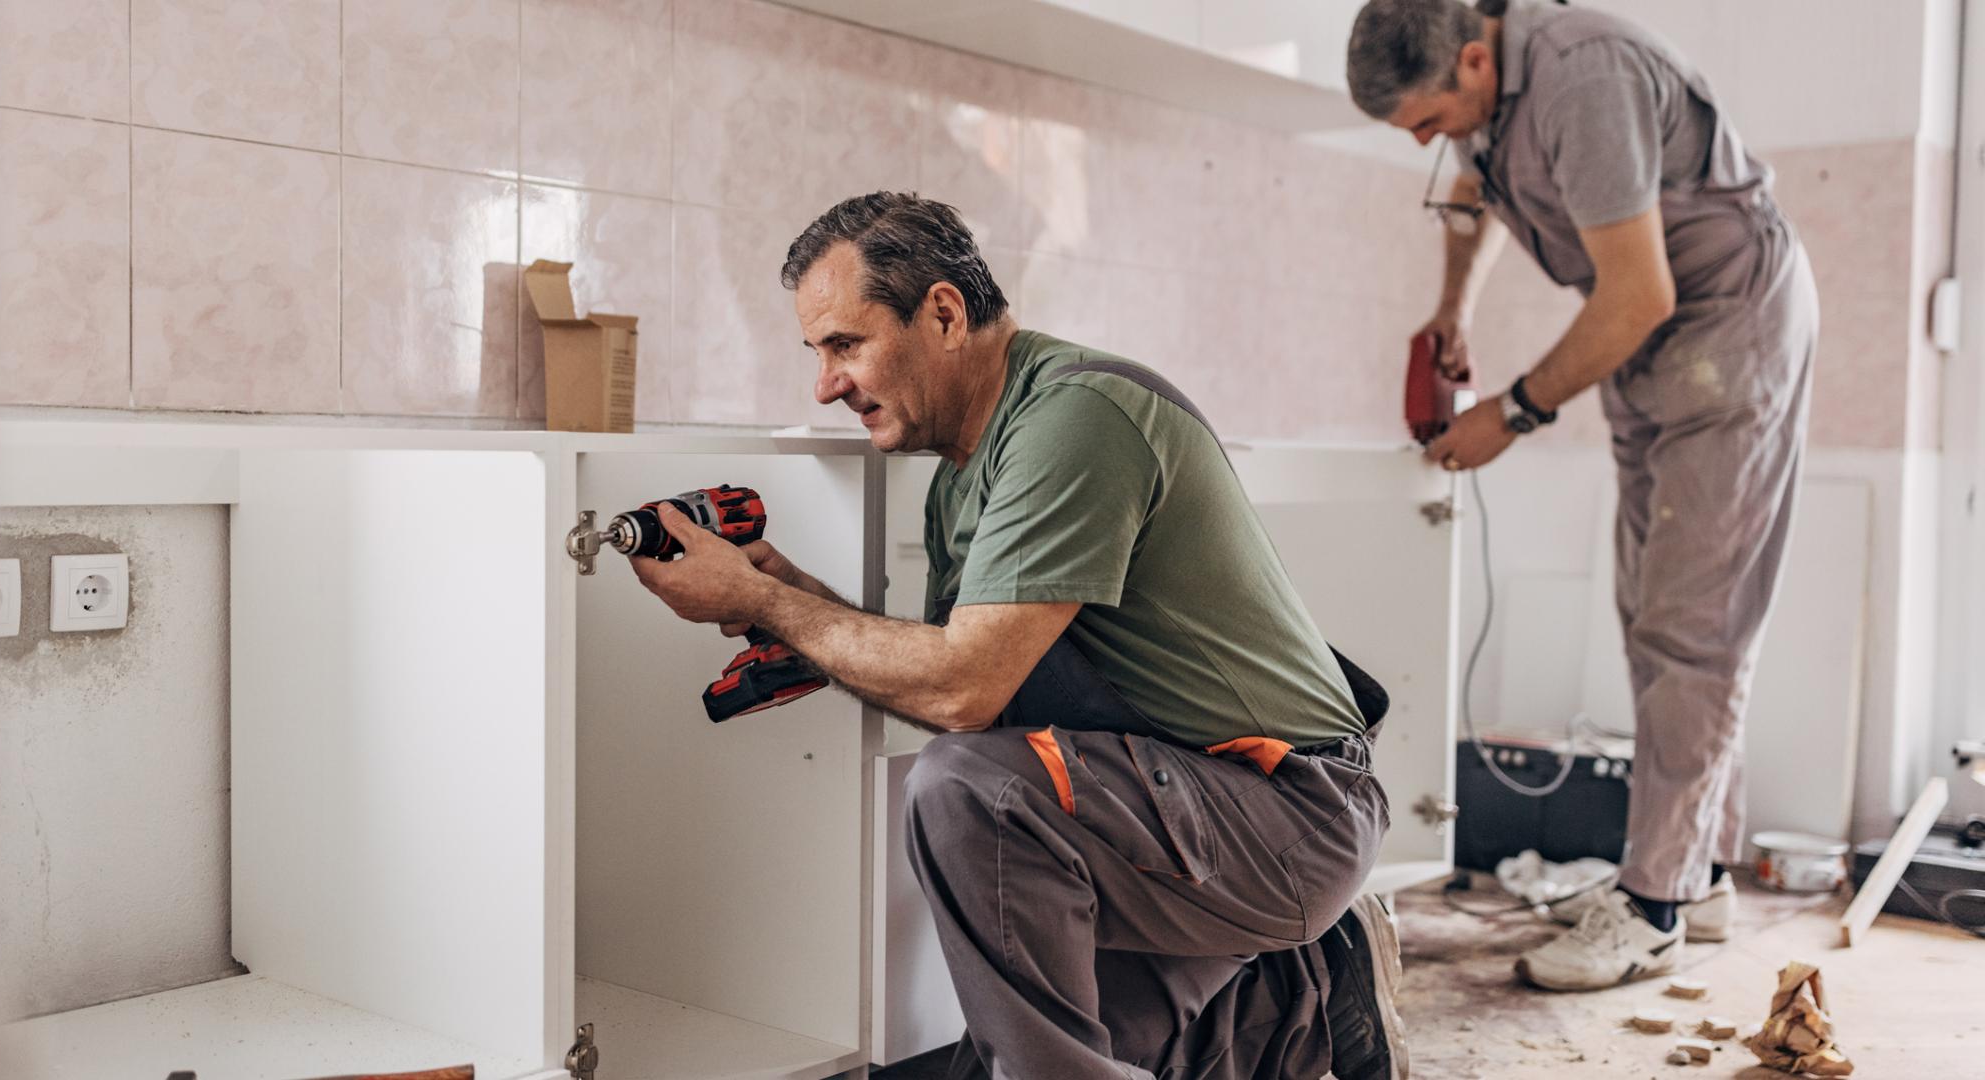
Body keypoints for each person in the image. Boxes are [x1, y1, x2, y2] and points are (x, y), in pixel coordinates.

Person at [630, 191, 1409, 1078]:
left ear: (944, 313)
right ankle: (1313, 1004)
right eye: (816, 353)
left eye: (845, 344)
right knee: (1026, 1056)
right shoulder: (962, 478)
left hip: (1287, 817)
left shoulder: (1074, 419)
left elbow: (961, 692)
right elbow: (970, 695)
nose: (826, 383)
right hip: (1185, 811)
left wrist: (772, 609)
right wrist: (799, 602)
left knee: (970, 794)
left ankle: (1283, 944)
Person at [1347, 0, 1818, 991]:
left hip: (1720, 327)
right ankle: (1697, 872)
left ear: (1473, 60)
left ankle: (1649, 908)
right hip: (1653, 343)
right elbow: (1476, 188)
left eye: (1427, 123)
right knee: (1650, 616)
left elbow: (1636, 291)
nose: (1432, 146)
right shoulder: (1492, 90)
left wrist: (1510, 412)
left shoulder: (1580, 77)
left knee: (1691, 624)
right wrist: (1450, 316)